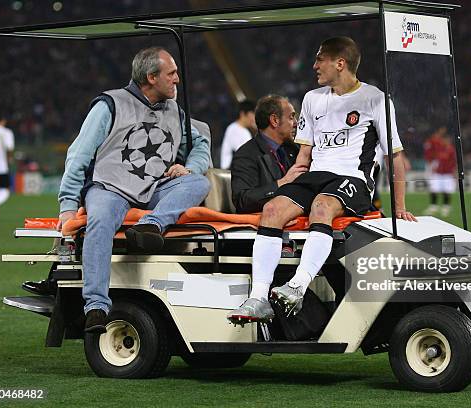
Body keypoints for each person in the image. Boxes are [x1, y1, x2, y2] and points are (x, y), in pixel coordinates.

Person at [227, 37, 416, 324]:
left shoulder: (375, 99)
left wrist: (399, 206)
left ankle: (297, 286)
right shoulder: (312, 99)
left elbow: (395, 156)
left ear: (340, 63)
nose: (314, 65)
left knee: (322, 206)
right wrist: (291, 180)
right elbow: (304, 154)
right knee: (272, 211)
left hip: (352, 178)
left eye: (320, 59)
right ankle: (259, 298)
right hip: (316, 176)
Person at [55, 47, 210, 333]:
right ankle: (96, 308)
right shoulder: (110, 104)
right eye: (171, 73)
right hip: (110, 188)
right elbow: (79, 155)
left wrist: (191, 167)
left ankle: (151, 225)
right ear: (151, 77)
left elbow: (201, 144)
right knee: (99, 222)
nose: (178, 79)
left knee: (199, 182)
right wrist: (67, 206)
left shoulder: (175, 110)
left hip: (153, 188)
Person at [231, 94, 305, 213]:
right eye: (291, 117)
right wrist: (282, 183)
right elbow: (242, 200)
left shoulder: (295, 149)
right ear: (274, 120)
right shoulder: (246, 154)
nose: (296, 123)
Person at [424, 134, 456, 217]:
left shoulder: (451, 150)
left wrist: (454, 172)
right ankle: (433, 206)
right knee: (434, 189)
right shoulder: (438, 148)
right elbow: (431, 142)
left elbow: (454, 162)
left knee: (447, 191)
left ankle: (446, 207)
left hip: (447, 174)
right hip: (437, 173)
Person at [220, 100, 256, 169]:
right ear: (243, 114)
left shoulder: (242, 130)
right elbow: (246, 156)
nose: (253, 118)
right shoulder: (235, 129)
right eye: (252, 114)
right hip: (231, 173)